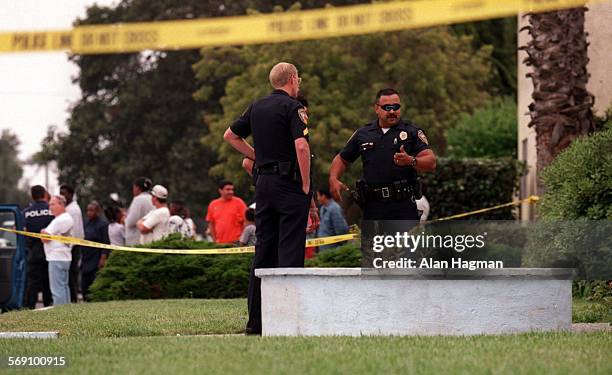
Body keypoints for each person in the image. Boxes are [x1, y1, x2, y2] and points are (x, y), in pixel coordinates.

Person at [223, 62, 319, 335]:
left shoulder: (256, 106)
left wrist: (259, 157)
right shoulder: (294, 107)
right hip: (289, 185)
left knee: (263, 251)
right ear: (291, 79)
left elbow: (230, 136)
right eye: (298, 78)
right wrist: (306, 184)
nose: (299, 83)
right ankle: (287, 321)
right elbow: (301, 146)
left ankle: (256, 322)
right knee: (290, 249)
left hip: (263, 184)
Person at [329, 88, 437, 220]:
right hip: (372, 207)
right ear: (377, 109)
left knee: (402, 241)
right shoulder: (363, 133)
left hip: (402, 206)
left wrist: (411, 161)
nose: (392, 111)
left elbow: (431, 162)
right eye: (387, 107)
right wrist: (333, 178)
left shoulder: (411, 132)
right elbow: (342, 159)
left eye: (396, 107)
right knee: (373, 241)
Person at [22, 185, 54, 309]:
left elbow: (21, 230)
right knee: (48, 280)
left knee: (33, 281)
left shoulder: (26, 212)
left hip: (34, 250)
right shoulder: (51, 210)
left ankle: (29, 307)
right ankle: (48, 306)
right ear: (44, 194)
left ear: (32, 196)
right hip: (50, 249)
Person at [41, 195, 74, 306]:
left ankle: (60, 315)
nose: (50, 207)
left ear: (61, 205)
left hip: (56, 257)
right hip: (65, 257)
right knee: (64, 287)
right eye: (49, 204)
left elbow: (45, 238)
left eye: (53, 204)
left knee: (57, 289)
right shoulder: (68, 218)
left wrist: (42, 232)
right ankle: (67, 313)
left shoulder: (59, 220)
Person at [59, 184, 84, 303]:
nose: (61, 195)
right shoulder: (68, 208)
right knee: (69, 274)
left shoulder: (73, 210)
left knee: (72, 274)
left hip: (73, 247)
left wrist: (68, 247)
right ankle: (70, 299)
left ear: (71, 194)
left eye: (64, 193)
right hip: (68, 246)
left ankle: (73, 300)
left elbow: (75, 231)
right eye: (60, 193)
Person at [81, 201, 110, 301]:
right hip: (86, 257)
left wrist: (103, 258)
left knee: (94, 283)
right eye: (88, 210)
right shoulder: (85, 223)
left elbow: (106, 242)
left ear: (97, 211)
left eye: (92, 210)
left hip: (96, 257)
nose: (89, 213)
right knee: (84, 285)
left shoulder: (103, 225)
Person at [125, 177, 154, 245]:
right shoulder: (153, 199)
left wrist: (125, 219)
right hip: (150, 239)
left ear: (137, 187)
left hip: (136, 239)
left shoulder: (138, 199)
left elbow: (131, 221)